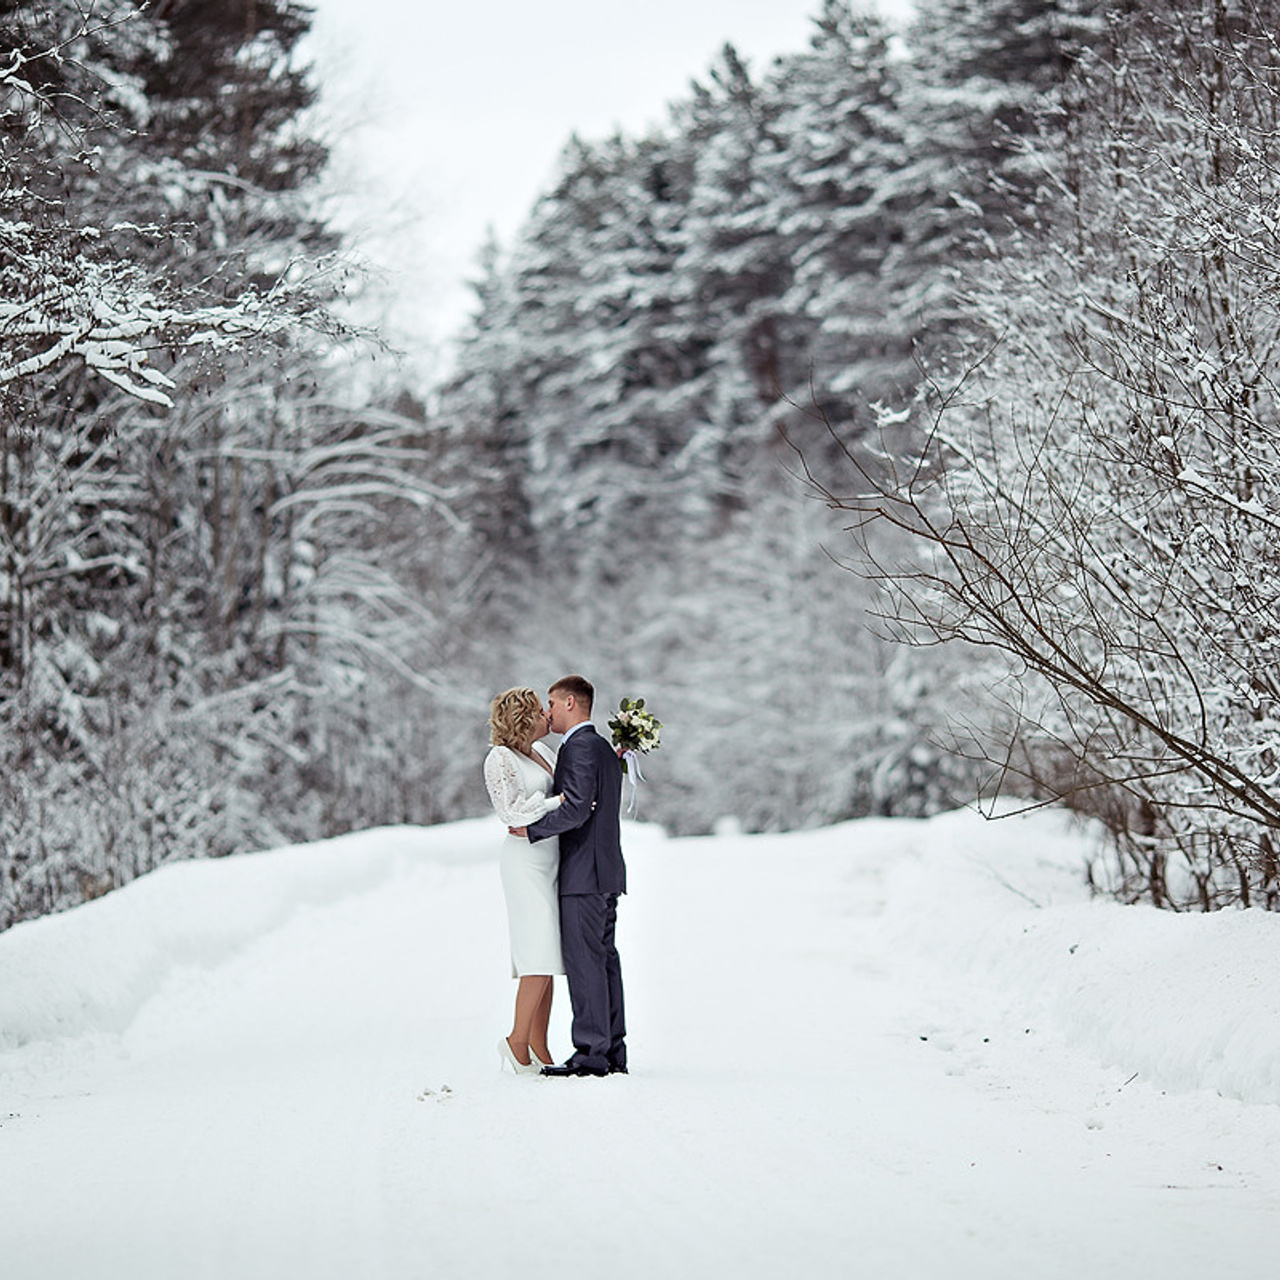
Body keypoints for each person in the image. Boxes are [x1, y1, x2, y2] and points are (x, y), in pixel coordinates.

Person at [509, 674, 627, 1077]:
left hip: (583, 874)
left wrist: (533, 830)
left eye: (553, 704)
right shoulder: (603, 750)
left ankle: (591, 1054)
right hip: (606, 870)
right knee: (606, 959)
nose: (549, 712)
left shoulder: (577, 747)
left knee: (586, 962)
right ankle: (613, 1051)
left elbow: (577, 808)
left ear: (572, 703)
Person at [483, 687, 565, 1075]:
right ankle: (516, 1042)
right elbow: (511, 815)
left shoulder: (544, 753)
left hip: (550, 858)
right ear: (522, 719)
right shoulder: (500, 759)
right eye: (539, 711)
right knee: (537, 953)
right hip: (524, 863)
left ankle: (540, 1047)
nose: (548, 715)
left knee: (547, 958)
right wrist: (554, 804)